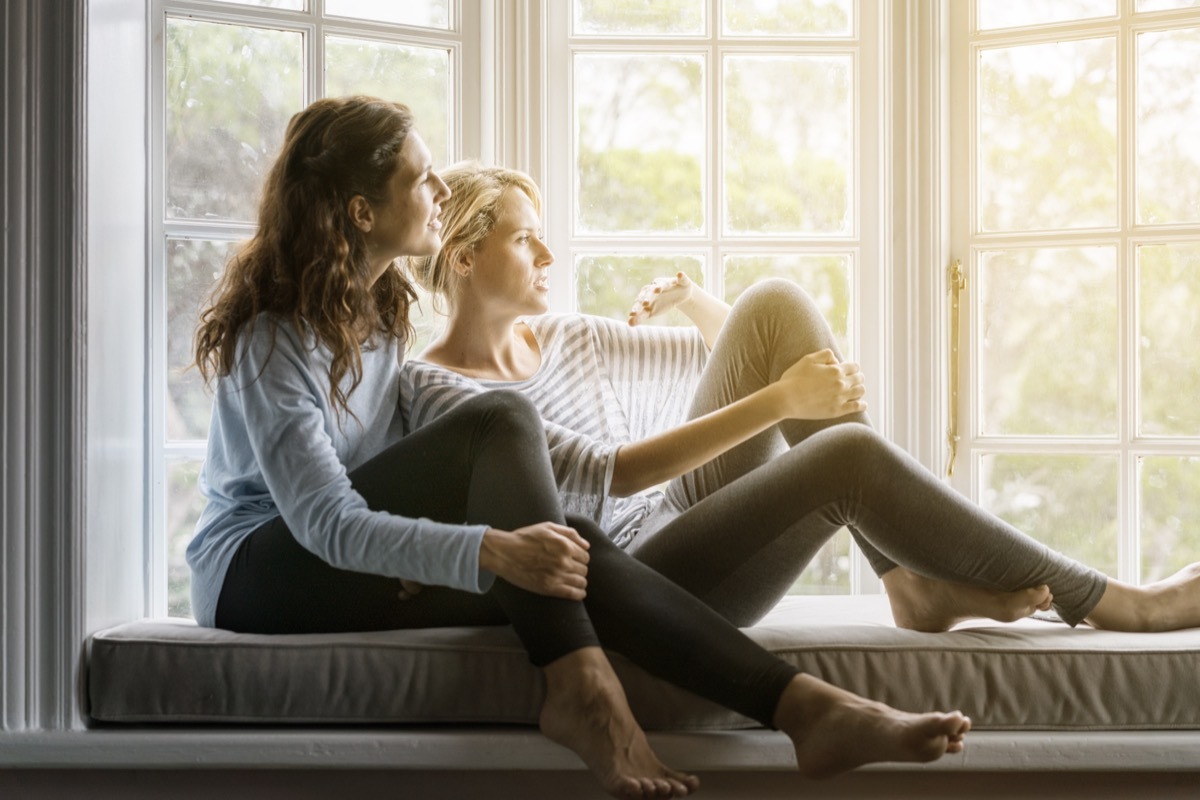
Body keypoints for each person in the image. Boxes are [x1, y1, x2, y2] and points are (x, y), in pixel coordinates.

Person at [185, 96, 973, 800]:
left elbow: (441, 467)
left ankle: (804, 708)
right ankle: (584, 691)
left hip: (355, 556)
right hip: (262, 570)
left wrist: (508, 539)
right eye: (421, 179)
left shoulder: (384, 314)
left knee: (570, 545)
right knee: (506, 437)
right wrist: (489, 549)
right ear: (361, 212)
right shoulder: (272, 339)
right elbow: (326, 524)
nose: (439, 192)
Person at [403, 160, 1200, 636]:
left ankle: (906, 584)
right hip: (632, 581)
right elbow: (616, 474)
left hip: (671, 520)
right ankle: (1119, 604)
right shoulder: (436, 389)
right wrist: (786, 400)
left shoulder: (570, 336)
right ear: (465, 258)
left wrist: (695, 301)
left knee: (775, 302)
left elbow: (735, 356)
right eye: (522, 237)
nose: (547, 251)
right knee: (841, 454)